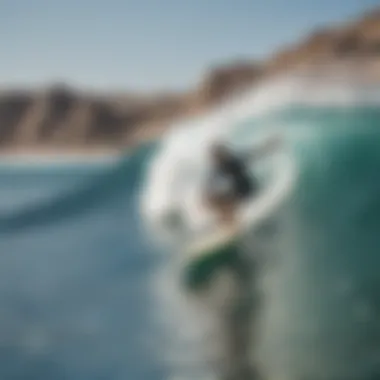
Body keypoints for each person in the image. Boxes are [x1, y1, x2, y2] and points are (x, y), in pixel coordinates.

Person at [204, 134, 282, 225]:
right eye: (215, 156)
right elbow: (210, 188)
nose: (216, 159)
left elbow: (256, 153)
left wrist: (271, 145)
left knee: (225, 198)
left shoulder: (236, 159)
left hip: (248, 189)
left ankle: (231, 221)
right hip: (237, 194)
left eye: (218, 155)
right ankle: (225, 220)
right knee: (214, 198)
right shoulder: (216, 170)